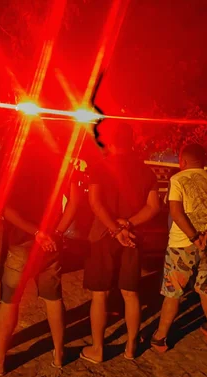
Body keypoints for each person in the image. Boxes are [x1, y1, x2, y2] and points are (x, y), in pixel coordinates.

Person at [0, 142, 82, 376]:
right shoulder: (63, 163)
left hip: (20, 244)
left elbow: (6, 210)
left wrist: (36, 233)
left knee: (9, 301)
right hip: (50, 246)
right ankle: (58, 353)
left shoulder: (14, 164)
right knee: (53, 299)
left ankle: (1, 359)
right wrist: (55, 233)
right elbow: (75, 202)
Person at [80, 122, 160, 363]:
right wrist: (128, 226)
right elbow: (154, 207)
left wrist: (115, 229)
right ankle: (131, 346)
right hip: (132, 238)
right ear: (132, 142)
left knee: (100, 295)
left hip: (103, 236)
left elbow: (95, 203)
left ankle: (97, 349)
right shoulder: (146, 172)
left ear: (111, 142)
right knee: (130, 293)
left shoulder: (100, 167)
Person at [150, 143, 207, 351]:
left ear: (182, 161)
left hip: (181, 245)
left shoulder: (178, 180)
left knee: (173, 292)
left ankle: (160, 337)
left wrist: (194, 237)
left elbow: (176, 212)